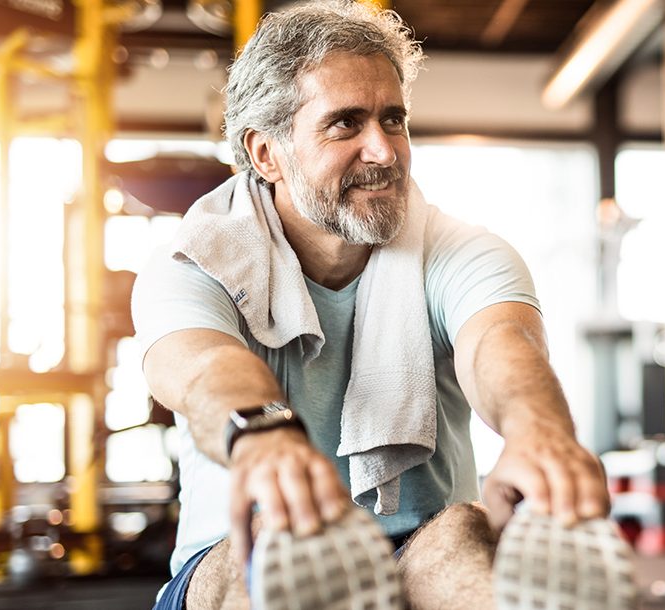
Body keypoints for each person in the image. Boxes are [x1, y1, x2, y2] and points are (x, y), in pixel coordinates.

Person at [131, 2, 636, 609]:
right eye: (346, 124)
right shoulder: (195, 257)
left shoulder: (461, 249)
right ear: (266, 154)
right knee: (278, 543)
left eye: (392, 120)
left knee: (458, 533)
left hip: (416, 547)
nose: (384, 150)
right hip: (242, 551)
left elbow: (500, 342)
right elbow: (200, 366)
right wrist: (262, 436)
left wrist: (539, 431)